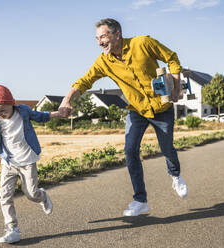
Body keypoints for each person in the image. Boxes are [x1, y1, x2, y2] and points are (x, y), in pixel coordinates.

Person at [59, 18, 188, 217]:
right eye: (97, 38)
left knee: (167, 148)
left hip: (161, 107)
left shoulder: (142, 43)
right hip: (136, 110)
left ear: (117, 34)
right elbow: (85, 81)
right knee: (130, 150)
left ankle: (175, 175)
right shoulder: (104, 61)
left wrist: (177, 87)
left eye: (103, 36)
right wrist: (68, 99)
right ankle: (140, 200)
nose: (100, 42)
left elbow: (172, 58)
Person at [0, 84, 62, 243]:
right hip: (9, 163)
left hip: (27, 161)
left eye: (3, 110)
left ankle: (42, 197)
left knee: (31, 193)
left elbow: (41, 116)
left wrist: (57, 114)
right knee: (4, 194)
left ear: (11, 103)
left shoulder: (23, 111)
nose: (0, 114)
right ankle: (12, 229)